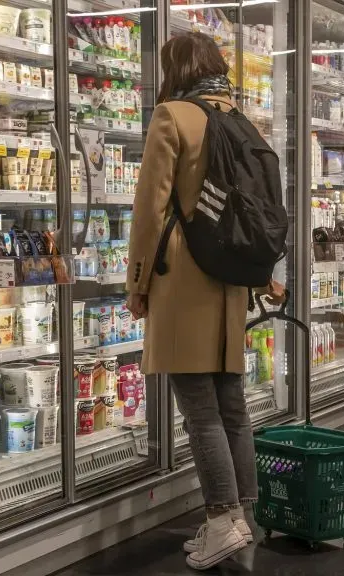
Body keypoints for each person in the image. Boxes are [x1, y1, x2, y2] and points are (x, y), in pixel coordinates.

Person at [126, 32, 285, 571]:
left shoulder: (172, 116)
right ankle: (244, 517)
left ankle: (221, 519)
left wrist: (138, 282)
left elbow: (150, 209)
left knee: (198, 407)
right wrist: (263, 275)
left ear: (175, 69)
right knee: (232, 404)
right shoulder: (242, 120)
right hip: (231, 277)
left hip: (185, 274)